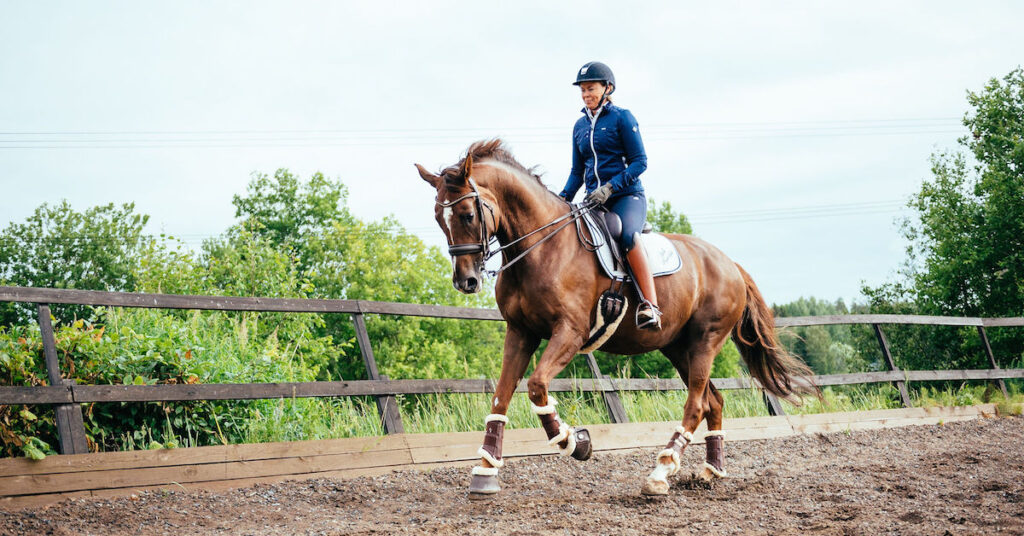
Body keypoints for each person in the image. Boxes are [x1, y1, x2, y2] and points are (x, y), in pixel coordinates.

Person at [559, 61, 661, 330]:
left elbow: (640, 162)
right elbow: (576, 171)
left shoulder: (622, 118)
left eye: (590, 89)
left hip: (626, 197)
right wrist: (560, 200)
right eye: (582, 91)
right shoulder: (579, 126)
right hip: (594, 201)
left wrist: (611, 187)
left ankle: (649, 304)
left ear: (607, 88)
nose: (585, 95)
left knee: (627, 236)